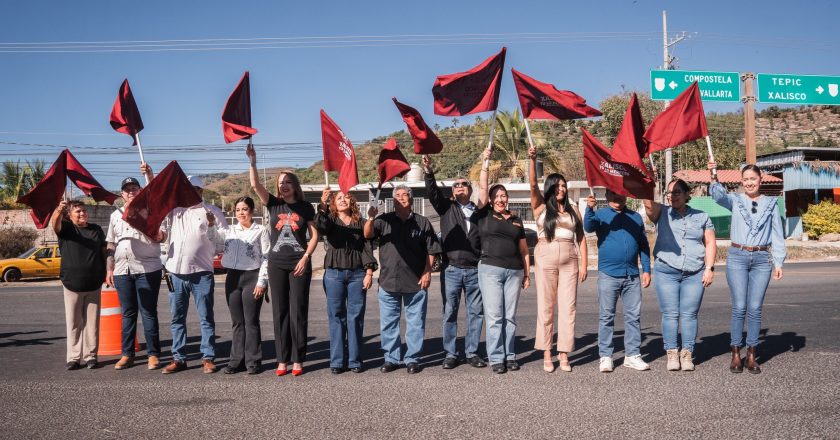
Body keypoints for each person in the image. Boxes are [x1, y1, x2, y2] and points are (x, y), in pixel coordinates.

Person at [247, 144, 318, 377]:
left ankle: (298, 359)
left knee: (298, 311)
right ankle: (282, 360)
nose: (283, 185)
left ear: (294, 185)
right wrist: (253, 162)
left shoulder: (306, 207)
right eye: (280, 182)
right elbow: (256, 185)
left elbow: (315, 235)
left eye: (287, 181)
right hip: (277, 263)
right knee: (280, 312)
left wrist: (306, 257)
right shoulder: (273, 204)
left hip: (299, 263)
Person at [708, 162, 785, 374]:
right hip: (737, 257)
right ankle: (735, 353)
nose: (750, 183)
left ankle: (752, 354)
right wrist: (713, 173)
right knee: (739, 306)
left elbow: (777, 234)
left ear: (760, 180)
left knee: (755, 308)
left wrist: (778, 262)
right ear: (741, 182)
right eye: (746, 179)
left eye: (753, 179)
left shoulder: (771, 204)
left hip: (762, 259)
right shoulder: (735, 200)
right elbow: (717, 195)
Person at [364, 185, 440, 374]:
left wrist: (427, 271)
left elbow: (432, 249)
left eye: (405, 195)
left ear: (412, 199)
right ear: (393, 200)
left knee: (415, 323)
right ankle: (391, 358)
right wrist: (371, 217)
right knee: (389, 323)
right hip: (388, 281)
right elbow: (367, 234)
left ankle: (412, 359)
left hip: (416, 282)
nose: (401, 198)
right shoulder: (383, 221)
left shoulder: (423, 222)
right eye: (397, 195)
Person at [642, 179, 716, 372]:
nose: (672, 196)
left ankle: (687, 353)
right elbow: (648, 205)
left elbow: (710, 243)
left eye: (676, 192)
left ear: (686, 194)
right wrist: (646, 183)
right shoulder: (663, 213)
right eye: (669, 193)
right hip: (666, 270)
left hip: (695, 272)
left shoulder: (702, 217)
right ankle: (672, 352)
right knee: (670, 314)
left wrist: (709, 268)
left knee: (689, 314)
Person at [422, 154, 486, 369]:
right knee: (450, 312)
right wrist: (429, 172)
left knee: (475, 313)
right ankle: (450, 353)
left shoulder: (479, 212)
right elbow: (432, 194)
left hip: (475, 270)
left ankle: (472, 352)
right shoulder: (447, 208)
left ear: (470, 189)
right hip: (452, 269)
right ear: (453, 192)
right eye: (456, 185)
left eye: (464, 184)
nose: (460, 187)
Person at [158, 172, 225, 374]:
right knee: (176, 318)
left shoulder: (212, 211)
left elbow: (221, 243)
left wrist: (212, 226)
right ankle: (178, 358)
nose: (188, 194)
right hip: (174, 274)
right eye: (185, 190)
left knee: (206, 317)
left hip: (201, 274)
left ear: (200, 191)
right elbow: (161, 234)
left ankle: (208, 357)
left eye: (193, 190)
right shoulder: (174, 211)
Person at [527, 146, 587, 373]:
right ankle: (547, 353)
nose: (562, 188)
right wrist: (532, 160)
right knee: (546, 307)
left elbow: (580, 237)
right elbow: (532, 185)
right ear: (551, 187)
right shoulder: (540, 207)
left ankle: (564, 354)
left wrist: (584, 264)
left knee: (568, 307)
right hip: (546, 256)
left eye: (564, 186)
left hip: (569, 259)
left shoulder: (573, 211)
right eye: (558, 185)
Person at [474, 148, 530, 374]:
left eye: (503, 195)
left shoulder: (516, 220)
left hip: (514, 272)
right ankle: (496, 358)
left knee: (510, 317)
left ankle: (510, 355)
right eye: (496, 196)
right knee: (495, 317)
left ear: (508, 198)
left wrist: (527, 274)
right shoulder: (485, 214)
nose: (500, 198)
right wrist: (485, 162)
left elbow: (524, 250)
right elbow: (483, 188)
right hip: (490, 270)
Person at [584, 189, 651, 373]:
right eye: (612, 194)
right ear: (606, 197)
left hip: (632, 275)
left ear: (626, 196)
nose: (617, 197)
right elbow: (588, 227)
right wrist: (589, 209)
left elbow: (643, 245)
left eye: (620, 194)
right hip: (608, 275)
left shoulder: (635, 217)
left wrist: (646, 269)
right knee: (606, 317)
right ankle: (605, 356)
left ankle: (632, 355)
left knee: (633, 317)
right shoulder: (601, 215)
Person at [106, 167, 165, 371]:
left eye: (134, 188)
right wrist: (109, 269)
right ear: (121, 193)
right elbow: (111, 244)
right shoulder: (115, 215)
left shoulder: (148, 210)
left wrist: (149, 176)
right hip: (123, 270)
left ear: (140, 191)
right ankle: (127, 354)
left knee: (148, 312)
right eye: (127, 189)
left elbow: (163, 234)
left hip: (147, 268)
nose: (130, 191)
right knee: (128, 313)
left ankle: (153, 354)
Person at [315, 187, 377, 374]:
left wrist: (368, 273)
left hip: (357, 274)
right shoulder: (331, 220)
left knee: (355, 317)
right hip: (334, 274)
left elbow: (368, 246)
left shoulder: (361, 222)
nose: (343, 200)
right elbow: (321, 227)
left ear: (352, 202)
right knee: (336, 316)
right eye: (339, 198)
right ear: (334, 203)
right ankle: (337, 361)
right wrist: (323, 205)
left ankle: (355, 360)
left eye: (346, 197)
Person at [216, 196, 270, 375]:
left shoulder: (260, 230)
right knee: (237, 322)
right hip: (232, 277)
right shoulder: (229, 231)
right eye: (238, 210)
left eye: (245, 209)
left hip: (252, 277)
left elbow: (266, 257)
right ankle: (236, 360)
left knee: (251, 321)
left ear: (252, 211)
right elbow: (213, 241)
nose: (241, 213)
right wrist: (210, 225)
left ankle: (253, 361)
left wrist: (262, 281)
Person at [51, 200, 107, 370]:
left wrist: (107, 272)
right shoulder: (66, 229)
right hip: (71, 284)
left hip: (94, 283)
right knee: (74, 323)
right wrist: (59, 209)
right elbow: (55, 224)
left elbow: (103, 252)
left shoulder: (96, 230)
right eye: (78, 212)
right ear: (69, 215)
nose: (82, 214)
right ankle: (74, 358)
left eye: (84, 211)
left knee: (92, 323)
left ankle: (91, 356)